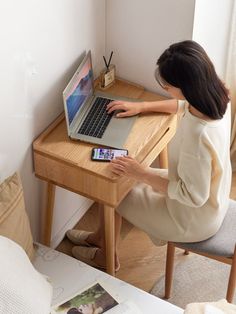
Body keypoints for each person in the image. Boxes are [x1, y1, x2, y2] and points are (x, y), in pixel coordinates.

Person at [66, 40, 232, 271]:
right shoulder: (217, 99)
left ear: (187, 87)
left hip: (192, 217)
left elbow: (193, 196)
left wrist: (141, 173)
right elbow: (183, 107)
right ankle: (99, 239)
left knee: (112, 188)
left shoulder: (200, 136)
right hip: (213, 199)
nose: (165, 89)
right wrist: (142, 107)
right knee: (119, 176)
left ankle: (105, 257)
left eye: (167, 87)